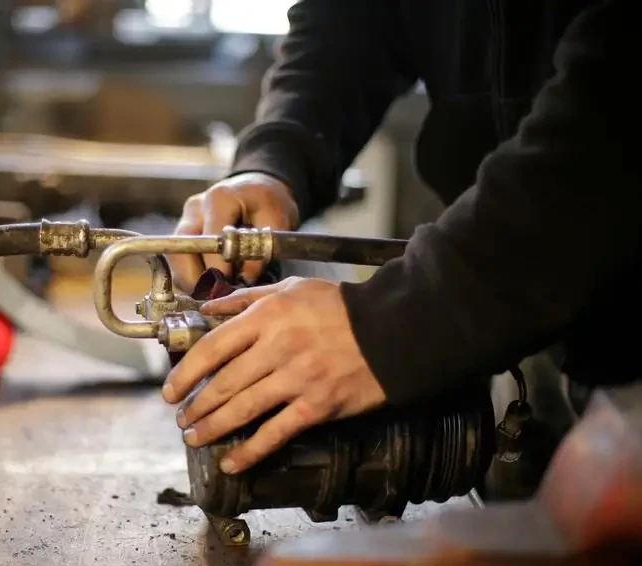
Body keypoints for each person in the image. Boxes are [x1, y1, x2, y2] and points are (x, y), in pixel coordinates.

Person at [160, 0, 639, 476]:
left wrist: (393, 325)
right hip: (529, 317)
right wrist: (275, 158)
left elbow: (614, 120)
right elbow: (353, 21)